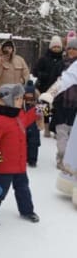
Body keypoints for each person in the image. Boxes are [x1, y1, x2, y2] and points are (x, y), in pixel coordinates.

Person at [0, 83, 42, 228]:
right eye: (18, 98)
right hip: (4, 166)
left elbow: (28, 118)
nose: (21, 101)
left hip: (20, 164)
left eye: (21, 98)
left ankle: (27, 210)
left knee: (23, 189)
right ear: (8, 100)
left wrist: (42, 108)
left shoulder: (18, 114)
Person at [43, 38, 77, 170]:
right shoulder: (61, 65)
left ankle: (71, 158)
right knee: (62, 131)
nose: (72, 51)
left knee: (71, 132)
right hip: (61, 103)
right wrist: (50, 94)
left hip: (75, 105)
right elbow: (53, 81)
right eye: (70, 48)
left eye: (75, 49)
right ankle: (62, 157)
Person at [32, 35, 64, 137]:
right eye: (54, 47)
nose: (56, 49)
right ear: (50, 47)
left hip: (57, 89)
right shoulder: (44, 59)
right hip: (44, 88)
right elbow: (35, 71)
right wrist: (43, 75)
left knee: (56, 110)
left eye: (58, 47)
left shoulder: (63, 60)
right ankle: (45, 128)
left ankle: (54, 129)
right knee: (44, 108)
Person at [23, 80, 41, 167]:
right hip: (34, 126)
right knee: (33, 143)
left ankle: (25, 158)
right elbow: (45, 115)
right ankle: (32, 160)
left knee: (24, 142)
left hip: (24, 125)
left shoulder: (22, 105)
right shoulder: (38, 105)